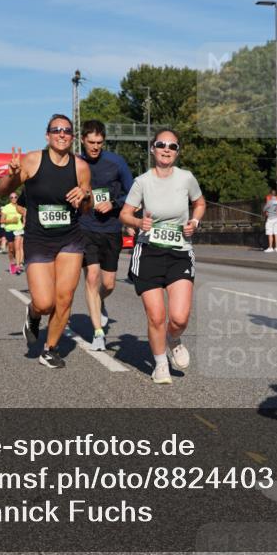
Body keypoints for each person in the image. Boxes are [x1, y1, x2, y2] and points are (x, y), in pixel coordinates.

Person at [0, 113, 92, 369]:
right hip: (38, 239)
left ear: (72, 137)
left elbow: (86, 207)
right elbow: (2, 191)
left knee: (65, 298)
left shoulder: (81, 166)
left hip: (69, 239)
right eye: (56, 130)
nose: (62, 134)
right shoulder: (32, 160)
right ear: (47, 135)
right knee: (44, 302)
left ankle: (50, 349)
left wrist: (84, 196)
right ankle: (33, 312)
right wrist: (12, 175)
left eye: (67, 131)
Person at [120, 129, 205, 385]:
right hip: (149, 253)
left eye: (172, 146)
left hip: (179, 251)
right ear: (152, 149)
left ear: (177, 151)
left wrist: (195, 221)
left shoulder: (186, 178)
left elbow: (200, 203)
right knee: (156, 316)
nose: (166, 149)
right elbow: (124, 213)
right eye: (161, 144)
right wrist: (137, 221)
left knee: (179, 318)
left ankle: (173, 338)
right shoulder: (142, 181)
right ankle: (159, 365)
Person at [79, 119, 134, 351]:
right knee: (92, 276)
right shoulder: (75, 163)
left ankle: (99, 303)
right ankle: (98, 333)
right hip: (84, 227)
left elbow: (133, 192)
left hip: (111, 229)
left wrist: (113, 203)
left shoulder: (116, 162)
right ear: (82, 140)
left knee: (108, 284)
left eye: (99, 143)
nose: (95, 147)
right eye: (91, 142)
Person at [0, 191, 25, 275]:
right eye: (12, 197)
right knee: (11, 249)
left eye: (15, 197)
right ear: (9, 199)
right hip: (9, 230)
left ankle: (18, 266)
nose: (14, 199)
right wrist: (11, 220)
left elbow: (25, 215)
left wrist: (25, 223)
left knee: (18, 248)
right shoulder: (6, 208)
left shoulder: (20, 207)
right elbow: (2, 220)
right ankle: (12, 263)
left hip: (18, 229)